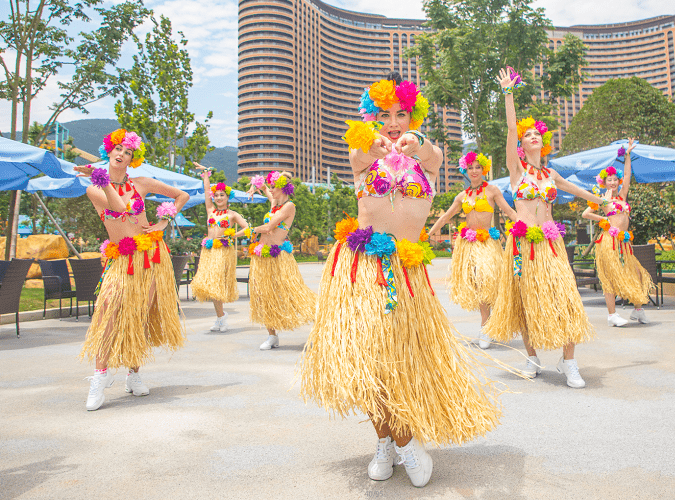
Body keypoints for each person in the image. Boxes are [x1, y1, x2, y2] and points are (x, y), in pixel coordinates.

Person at [300, 73, 501, 489]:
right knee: (371, 358)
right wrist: (370, 143)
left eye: (401, 114)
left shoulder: (424, 158)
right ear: (373, 117)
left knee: (401, 357)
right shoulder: (365, 154)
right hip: (362, 269)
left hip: (407, 270)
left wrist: (419, 142)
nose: (393, 122)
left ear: (412, 116)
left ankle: (403, 440)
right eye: (384, 115)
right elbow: (357, 154)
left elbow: (437, 156)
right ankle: (390, 442)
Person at [485, 67, 609, 387]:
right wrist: (508, 92)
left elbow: (576, 190)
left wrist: (600, 200)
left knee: (566, 297)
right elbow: (511, 128)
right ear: (522, 145)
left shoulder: (550, 175)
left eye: (537, 133)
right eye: (528, 135)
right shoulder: (516, 171)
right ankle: (532, 357)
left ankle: (570, 362)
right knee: (526, 300)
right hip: (523, 244)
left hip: (551, 244)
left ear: (544, 141)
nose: (533, 136)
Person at [75, 129, 189, 411]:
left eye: (127, 152)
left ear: (131, 159)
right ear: (108, 152)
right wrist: (100, 179)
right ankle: (100, 377)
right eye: (117, 149)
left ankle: (133, 375)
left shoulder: (142, 182)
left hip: (151, 255)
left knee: (139, 315)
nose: (121, 154)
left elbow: (181, 195)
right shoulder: (94, 188)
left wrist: (164, 221)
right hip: (122, 258)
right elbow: (121, 208)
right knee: (108, 313)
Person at [427, 151, 517, 349]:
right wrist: (428, 234)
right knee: (478, 283)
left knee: (489, 281)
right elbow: (445, 217)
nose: (474, 171)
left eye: (478, 167)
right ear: (465, 170)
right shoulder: (462, 196)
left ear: (483, 169)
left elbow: (509, 212)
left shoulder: (492, 190)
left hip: (487, 244)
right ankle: (485, 325)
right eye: (470, 168)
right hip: (468, 245)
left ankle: (492, 323)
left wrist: (526, 226)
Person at [581, 139, 652, 325]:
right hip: (609, 241)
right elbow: (586, 213)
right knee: (610, 277)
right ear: (604, 182)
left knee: (635, 272)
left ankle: (638, 310)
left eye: (615, 180)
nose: (613, 182)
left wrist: (627, 155)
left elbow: (628, 175)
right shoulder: (603, 199)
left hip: (624, 242)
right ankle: (612, 315)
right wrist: (603, 219)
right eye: (609, 180)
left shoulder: (622, 196)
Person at [247, 171, 316, 350]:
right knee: (264, 296)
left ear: (283, 188)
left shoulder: (289, 206)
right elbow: (265, 190)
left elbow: (270, 226)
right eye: (269, 186)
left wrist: (253, 229)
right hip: (263, 257)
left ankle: (319, 322)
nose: (270, 189)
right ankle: (272, 336)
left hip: (279, 257)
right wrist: (256, 186)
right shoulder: (274, 205)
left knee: (292, 293)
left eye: (273, 186)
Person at [191, 167, 251, 332]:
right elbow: (205, 190)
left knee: (216, 284)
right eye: (216, 195)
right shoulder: (210, 210)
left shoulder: (232, 215)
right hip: (209, 251)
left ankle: (221, 318)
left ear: (227, 197)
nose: (218, 197)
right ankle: (220, 317)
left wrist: (232, 235)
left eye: (221, 195)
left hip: (223, 252)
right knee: (211, 286)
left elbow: (247, 228)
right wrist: (205, 176)